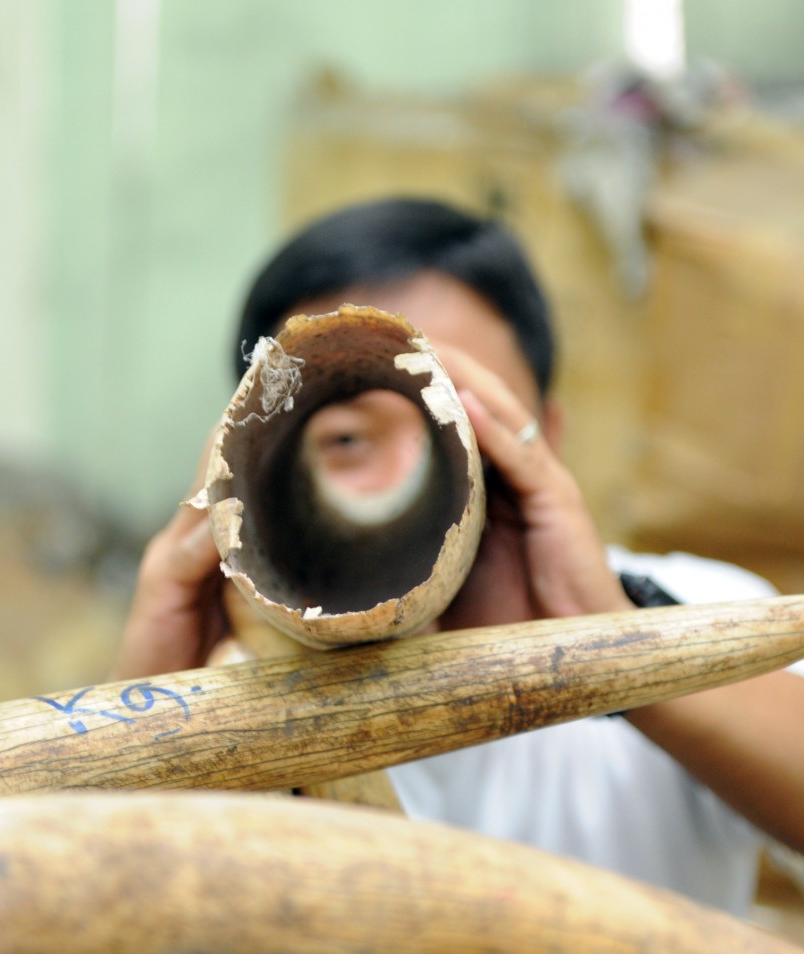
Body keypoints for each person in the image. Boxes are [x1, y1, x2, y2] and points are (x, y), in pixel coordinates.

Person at [114, 195, 804, 916]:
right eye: (347, 440)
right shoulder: (228, 691)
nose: (410, 475)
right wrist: (149, 708)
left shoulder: (698, 613)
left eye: (456, 419)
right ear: (257, 458)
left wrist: (612, 633)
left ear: (545, 439)